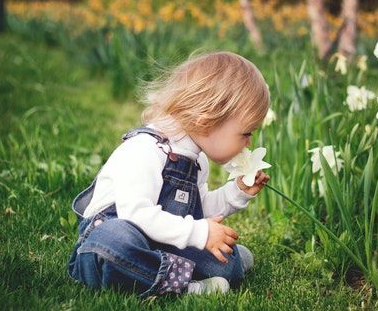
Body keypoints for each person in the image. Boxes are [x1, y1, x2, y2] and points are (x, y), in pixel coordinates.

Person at [67, 51, 271, 297]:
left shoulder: (197, 160)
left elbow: (198, 210)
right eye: (246, 133)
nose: (248, 143)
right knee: (114, 241)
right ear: (207, 120)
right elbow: (136, 215)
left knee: (228, 263)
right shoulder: (145, 150)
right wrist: (199, 233)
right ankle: (186, 287)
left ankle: (172, 271)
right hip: (113, 242)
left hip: (159, 242)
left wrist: (237, 192)